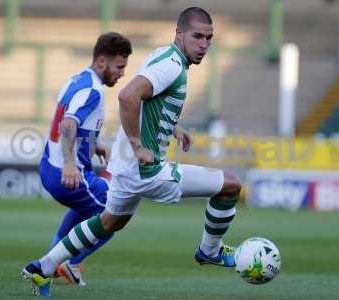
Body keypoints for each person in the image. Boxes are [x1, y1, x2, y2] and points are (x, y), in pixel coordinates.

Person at [22, 7, 241, 297]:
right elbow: (128, 96)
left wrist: (175, 127)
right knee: (230, 186)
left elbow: (150, 102)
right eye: (197, 36)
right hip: (146, 169)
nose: (204, 44)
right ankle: (209, 251)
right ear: (179, 34)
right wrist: (139, 146)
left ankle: (42, 267)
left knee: (108, 222)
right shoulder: (171, 65)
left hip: (125, 167)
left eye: (209, 38)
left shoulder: (164, 56)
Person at [28, 32, 132, 290]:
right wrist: (70, 164)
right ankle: (59, 263)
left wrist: (94, 144)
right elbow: (67, 124)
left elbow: (68, 122)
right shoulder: (93, 91)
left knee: (91, 210)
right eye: (119, 67)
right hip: (68, 174)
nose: (122, 74)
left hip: (48, 167)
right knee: (117, 212)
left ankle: (56, 263)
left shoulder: (77, 79)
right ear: (101, 63)